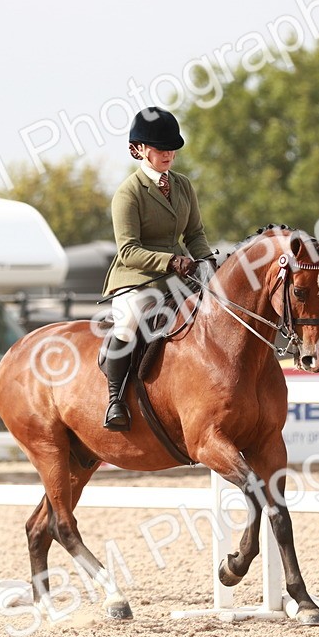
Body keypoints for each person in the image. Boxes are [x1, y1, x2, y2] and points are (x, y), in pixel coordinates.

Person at [98, 107, 214, 431]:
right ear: (139, 149)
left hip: (181, 274)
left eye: (171, 148)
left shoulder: (183, 185)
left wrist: (206, 262)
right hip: (138, 277)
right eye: (160, 148)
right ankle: (115, 400)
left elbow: (194, 234)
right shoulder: (128, 193)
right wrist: (171, 261)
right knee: (131, 319)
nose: (168, 154)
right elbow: (129, 249)